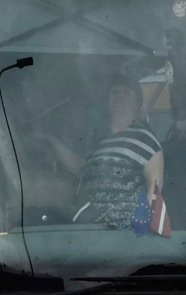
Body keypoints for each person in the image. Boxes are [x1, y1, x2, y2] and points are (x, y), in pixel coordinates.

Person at [40, 76, 164, 229]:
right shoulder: (101, 142)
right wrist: (51, 141)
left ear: (137, 103)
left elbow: (155, 187)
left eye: (126, 93)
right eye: (114, 92)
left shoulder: (146, 138)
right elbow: (80, 167)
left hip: (123, 232)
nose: (119, 97)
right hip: (88, 229)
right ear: (107, 102)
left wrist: (143, 230)